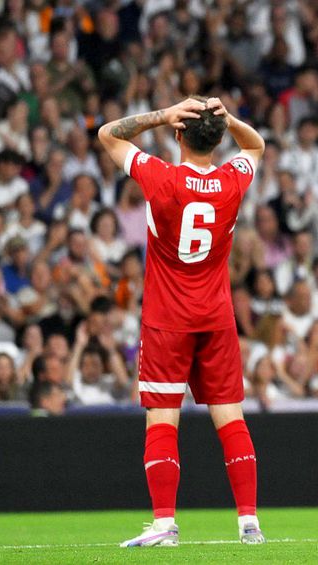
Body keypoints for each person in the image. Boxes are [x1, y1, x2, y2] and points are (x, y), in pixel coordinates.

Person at [98, 96, 266, 547]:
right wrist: (228, 117)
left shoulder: (161, 177)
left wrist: (160, 113)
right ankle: (249, 523)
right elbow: (255, 147)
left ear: (178, 133)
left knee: (162, 421)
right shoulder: (233, 180)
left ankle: (164, 524)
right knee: (231, 419)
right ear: (216, 138)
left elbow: (107, 134)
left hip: (166, 319)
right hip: (216, 317)